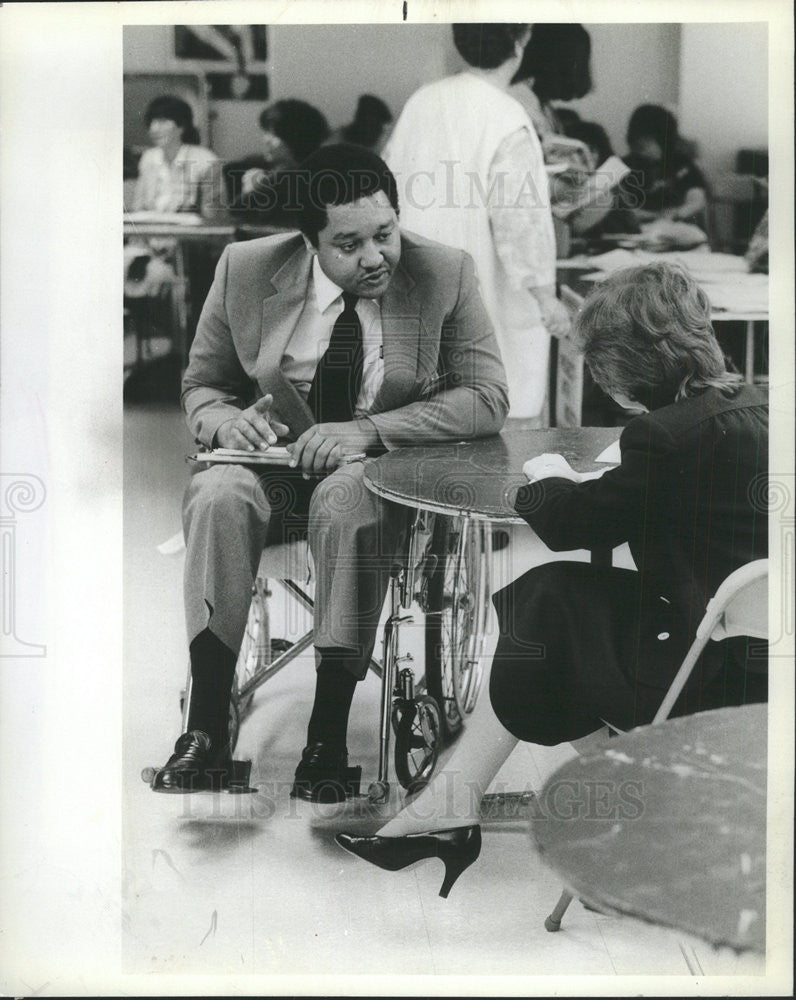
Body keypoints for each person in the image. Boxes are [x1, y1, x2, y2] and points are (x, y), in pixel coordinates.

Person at [336, 262, 768, 895]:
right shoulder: (757, 406)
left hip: (706, 672)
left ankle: (478, 807)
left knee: (547, 609)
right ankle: (461, 807)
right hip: (764, 660)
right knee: (552, 602)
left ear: (622, 370)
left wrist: (543, 480)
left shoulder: (661, 437)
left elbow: (572, 524)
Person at [150, 144, 510, 799]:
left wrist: (367, 431)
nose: (374, 257)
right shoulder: (246, 268)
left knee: (345, 498)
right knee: (216, 494)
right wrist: (227, 423)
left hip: (374, 473)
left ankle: (327, 736)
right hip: (270, 465)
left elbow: (487, 398)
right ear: (310, 240)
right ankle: (203, 729)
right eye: (348, 244)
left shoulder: (444, 274)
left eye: (385, 234)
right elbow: (202, 385)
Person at [384, 23, 568, 423]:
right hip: (481, 288)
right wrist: (544, 296)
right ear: (520, 42)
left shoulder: (422, 100)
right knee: (493, 409)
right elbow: (517, 219)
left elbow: (386, 182)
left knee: (424, 414)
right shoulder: (505, 114)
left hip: (414, 276)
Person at [223, 99, 330, 225]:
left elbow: (234, 217)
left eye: (273, 134)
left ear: (294, 138)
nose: (265, 140)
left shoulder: (282, 176)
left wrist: (250, 188)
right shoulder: (323, 171)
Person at [130, 95, 222, 218]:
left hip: (189, 235)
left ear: (181, 126)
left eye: (162, 122)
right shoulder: (149, 158)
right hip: (151, 232)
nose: (154, 128)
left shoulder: (206, 161)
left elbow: (212, 216)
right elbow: (137, 208)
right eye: (151, 122)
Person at [619, 104, 709, 226]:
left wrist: (678, 213)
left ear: (663, 140)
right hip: (640, 228)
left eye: (647, 142)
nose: (641, 148)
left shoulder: (681, 163)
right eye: (637, 144)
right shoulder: (624, 165)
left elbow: (697, 198)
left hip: (678, 225)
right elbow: (624, 210)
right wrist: (656, 216)